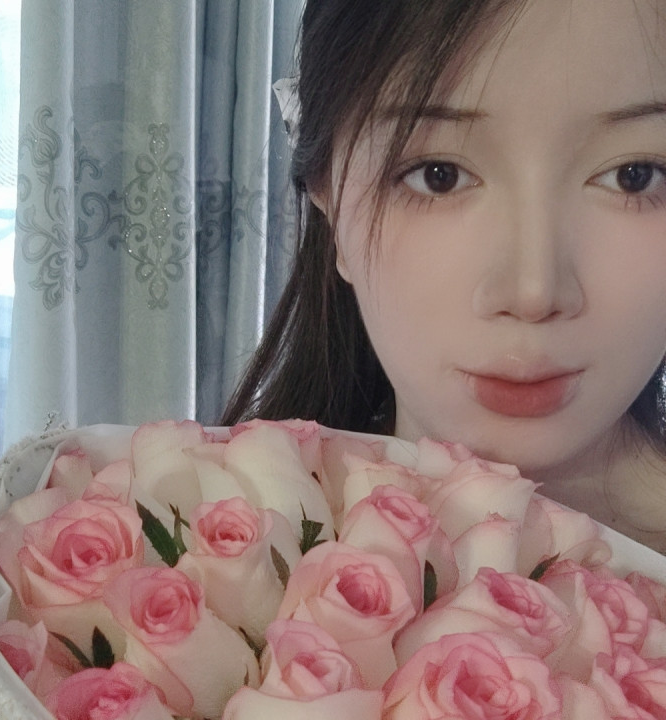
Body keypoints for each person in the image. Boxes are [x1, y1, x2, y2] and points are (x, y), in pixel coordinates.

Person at [223, 0, 666, 551]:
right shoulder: (182, 543)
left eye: (633, 176)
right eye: (440, 176)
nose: (533, 292)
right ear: (329, 196)